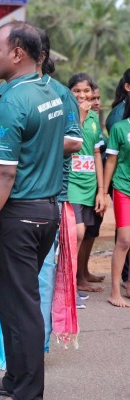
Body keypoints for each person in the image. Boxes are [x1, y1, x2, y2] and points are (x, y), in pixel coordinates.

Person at [0, 22, 64, 399]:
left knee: (21, 307)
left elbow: (4, 174)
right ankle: (15, 378)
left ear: (17, 54)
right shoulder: (50, 91)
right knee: (16, 304)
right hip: (46, 212)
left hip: (19, 216)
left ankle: (28, 391)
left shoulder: (12, 101)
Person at [68, 73, 106, 293]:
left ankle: (79, 278)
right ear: (69, 92)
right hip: (71, 183)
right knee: (77, 232)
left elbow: (96, 154)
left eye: (86, 91)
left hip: (90, 185)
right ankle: (68, 285)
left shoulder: (94, 118)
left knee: (86, 234)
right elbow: (70, 142)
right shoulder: (67, 115)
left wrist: (101, 191)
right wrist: (80, 117)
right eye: (76, 91)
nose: (82, 95)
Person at [104, 103, 130, 307]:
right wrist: (103, 192)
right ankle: (114, 291)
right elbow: (111, 161)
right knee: (124, 240)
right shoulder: (120, 128)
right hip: (123, 187)